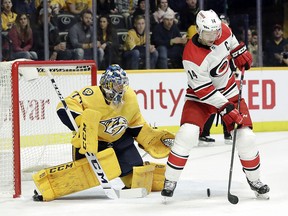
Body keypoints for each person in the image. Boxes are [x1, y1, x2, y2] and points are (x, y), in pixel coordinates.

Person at [161, 9, 270, 200]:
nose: (214, 37)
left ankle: (255, 180)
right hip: (200, 98)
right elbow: (204, 91)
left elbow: (233, 45)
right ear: (199, 31)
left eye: (215, 33)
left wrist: (239, 53)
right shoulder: (190, 55)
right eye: (208, 34)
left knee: (246, 137)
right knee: (187, 134)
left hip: (229, 91)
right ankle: (170, 180)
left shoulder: (224, 30)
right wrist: (226, 108)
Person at [32, 64, 175, 201]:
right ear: (107, 84)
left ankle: (162, 177)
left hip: (120, 140)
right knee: (90, 173)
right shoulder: (90, 94)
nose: (121, 88)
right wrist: (83, 125)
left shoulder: (130, 97)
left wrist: (150, 137)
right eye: (117, 84)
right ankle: (46, 186)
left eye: (123, 84)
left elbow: (135, 124)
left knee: (138, 180)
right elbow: (63, 108)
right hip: (93, 143)